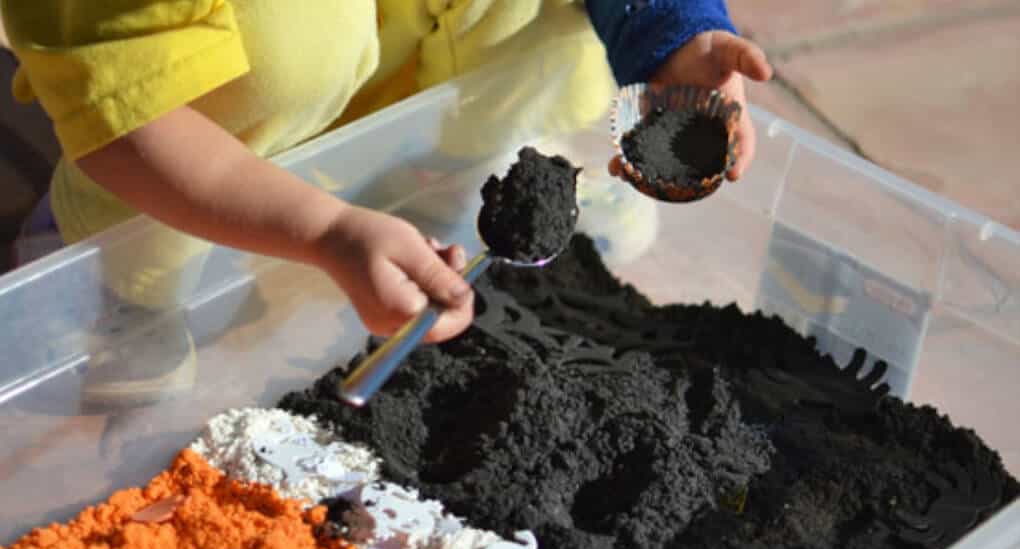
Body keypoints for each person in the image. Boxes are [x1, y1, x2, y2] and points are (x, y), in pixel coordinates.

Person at [1, 0, 771, 406]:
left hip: (419, 61)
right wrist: (325, 231)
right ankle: (122, 277)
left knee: (551, 32)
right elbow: (130, 114)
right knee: (283, 57)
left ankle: (454, 171)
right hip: (194, 130)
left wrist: (676, 31)